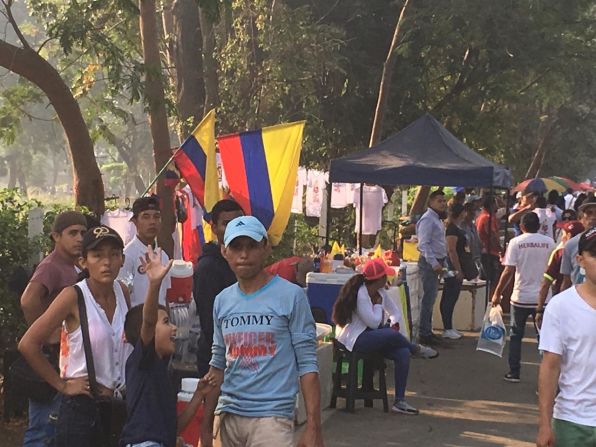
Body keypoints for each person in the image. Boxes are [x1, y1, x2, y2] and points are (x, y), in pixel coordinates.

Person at [201, 216, 323, 447]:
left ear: (266, 248)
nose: (244, 255)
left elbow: (307, 365)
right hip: (228, 414)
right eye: (237, 247)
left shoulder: (291, 296)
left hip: (272, 418)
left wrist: (313, 427)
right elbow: (217, 364)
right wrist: (206, 427)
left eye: (252, 246)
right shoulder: (222, 301)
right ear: (224, 251)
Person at [19, 226, 132, 446]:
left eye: (113, 255)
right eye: (97, 256)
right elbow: (28, 344)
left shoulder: (122, 291)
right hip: (82, 409)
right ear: (83, 262)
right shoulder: (73, 296)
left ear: (122, 259)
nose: (106, 262)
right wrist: (62, 385)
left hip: (117, 406)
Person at [120, 245, 214, 447]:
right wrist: (154, 284)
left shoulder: (162, 371)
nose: (173, 328)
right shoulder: (143, 361)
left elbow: (174, 429)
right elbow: (148, 321)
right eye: (165, 322)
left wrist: (198, 395)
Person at [333, 258, 438, 415]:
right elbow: (374, 322)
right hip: (354, 339)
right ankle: (415, 349)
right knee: (391, 334)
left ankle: (400, 401)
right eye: (385, 277)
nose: (388, 280)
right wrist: (377, 305)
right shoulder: (361, 295)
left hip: (370, 335)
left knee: (402, 353)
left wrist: (393, 322)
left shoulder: (380, 292)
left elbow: (395, 311)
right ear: (379, 279)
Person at [19, 210, 87, 447]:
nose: (79, 238)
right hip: (48, 359)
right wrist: (45, 334)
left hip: (64, 359)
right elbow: (28, 300)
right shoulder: (51, 266)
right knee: (41, 430)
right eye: (72, 233)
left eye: (82, 233)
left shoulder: (72, 266)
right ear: (56, 236)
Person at [536, 227, 596, 447]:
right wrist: (544, 424)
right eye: (594, 254)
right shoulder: (561, 306)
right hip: (572, 422)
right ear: (580, 260)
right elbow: (550, 366)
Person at [491, 213, 555, 383]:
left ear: (522, 226)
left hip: (520, 297)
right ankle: (545, 378)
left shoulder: (516, 242)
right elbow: (553, 269)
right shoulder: (549, 242)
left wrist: (497, 293)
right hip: (543, 299)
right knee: (545, 338)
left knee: (515, 336)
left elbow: (508, 271)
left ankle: (514, 372)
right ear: (539, 225)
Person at [193, 199, 244, 377]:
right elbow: (210, 323)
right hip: (218, 360)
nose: (233, 229)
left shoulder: (244, 262)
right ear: (214, 228)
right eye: (226, 224)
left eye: (238, 223)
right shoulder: (208, 268)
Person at [118, 196, 171, 307]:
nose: (152, 222)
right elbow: (122, 295)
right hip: (138, 321)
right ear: (135, 221)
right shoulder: (127, 256)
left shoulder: (163, 256)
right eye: (146, 217)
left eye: (156, 217)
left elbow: (165, 296)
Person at [535, 220, 585, 328]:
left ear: (568, 235)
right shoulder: (589, 251)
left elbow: (546, 283)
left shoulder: (559, 253)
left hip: (565, 305)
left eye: (562, 232)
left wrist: (539, 309)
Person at [416, 189, 448, 346]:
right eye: (439, 201)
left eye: (444, 201)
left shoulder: (437, 219)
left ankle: (428, 330)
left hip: (438, 262)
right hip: (429, 263)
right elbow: (423, 244)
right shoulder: (428, 219)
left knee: (431, 298)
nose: (443, 204)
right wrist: (434, 263)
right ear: (431, 202)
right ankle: (424, 333)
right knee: (428, 299)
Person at [440, 203, 468, 340]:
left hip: (457, 264)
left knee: (453, 296)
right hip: (452, 267)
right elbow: (451, 250)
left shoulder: (457, 228)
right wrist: (458, 269)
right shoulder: (451, 229)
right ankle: (447, 327)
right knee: (449, 296)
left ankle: (450, 326)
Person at [559, 197, 596, 290]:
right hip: (578, 300)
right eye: (589, 213)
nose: (593, 217)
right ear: (581, 218)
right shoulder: (571, 244)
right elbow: (566, 280)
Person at [476, 195, 502, 296]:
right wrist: (500, 248)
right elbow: (492, 235)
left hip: (487, 252)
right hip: (489, 252)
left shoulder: (483, 216)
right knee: (491, 281)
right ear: (491, 205)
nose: (497, 206)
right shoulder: (487, 218)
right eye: (495, 203)